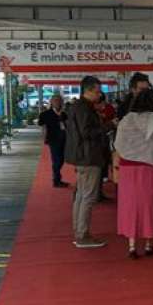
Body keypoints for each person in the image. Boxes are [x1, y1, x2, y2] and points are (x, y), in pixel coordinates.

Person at [114, 89, 153, 258]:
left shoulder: (126, 120)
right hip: (149, 167)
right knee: (149, 205)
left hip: (127, 169)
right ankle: (148, 244)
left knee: (130, 205)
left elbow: (118, 144)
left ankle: (131, 246)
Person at [65, 76, 111, 248]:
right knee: (88, 197)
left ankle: (79, 231)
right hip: (89, 157)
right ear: (88, 90)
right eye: (98, 91)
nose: (99, 95)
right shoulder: (84, 108)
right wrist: (107, 126)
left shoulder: (78, 107)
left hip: (82, 156)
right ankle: (82, 235)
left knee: (81, 196)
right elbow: (87, 132)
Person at [37, 93, 68, 187]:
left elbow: (67, 124)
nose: (58, 103)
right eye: (55, 101)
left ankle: (57, 178)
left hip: (64, 138)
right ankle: (56, 180)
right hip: (53, 139)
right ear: (51, 102)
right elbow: (40, 123)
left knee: (62, 159)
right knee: (56, 160)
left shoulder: (64, 114)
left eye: (60, 101)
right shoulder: (46, 114)